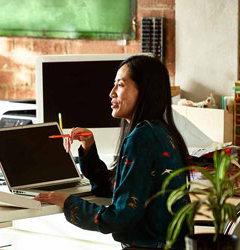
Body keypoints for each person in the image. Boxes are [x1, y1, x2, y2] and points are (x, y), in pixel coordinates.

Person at [34, 55, 190, 249]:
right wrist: (88, 146)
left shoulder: (142, 138)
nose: (111, 93)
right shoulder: (160, 131)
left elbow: (119, 218)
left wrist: (68, 202)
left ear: (144, 91)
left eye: (121, 85)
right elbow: (118, 190)